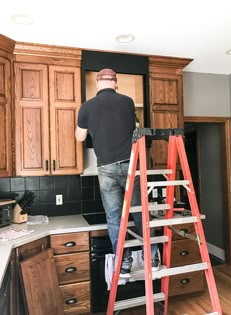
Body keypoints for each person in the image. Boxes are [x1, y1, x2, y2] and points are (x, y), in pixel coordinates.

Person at [75, 68, 160, 277]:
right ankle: (153, 256)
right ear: (115, 83)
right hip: (132, 166)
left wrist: (86, 125)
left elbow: (79, 137)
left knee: (114, 218)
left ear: (97, 84)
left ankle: (124, 263)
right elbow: (131, 126)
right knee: (140, 214)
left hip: (106, 168)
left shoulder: (86, 107)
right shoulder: (128, 101)